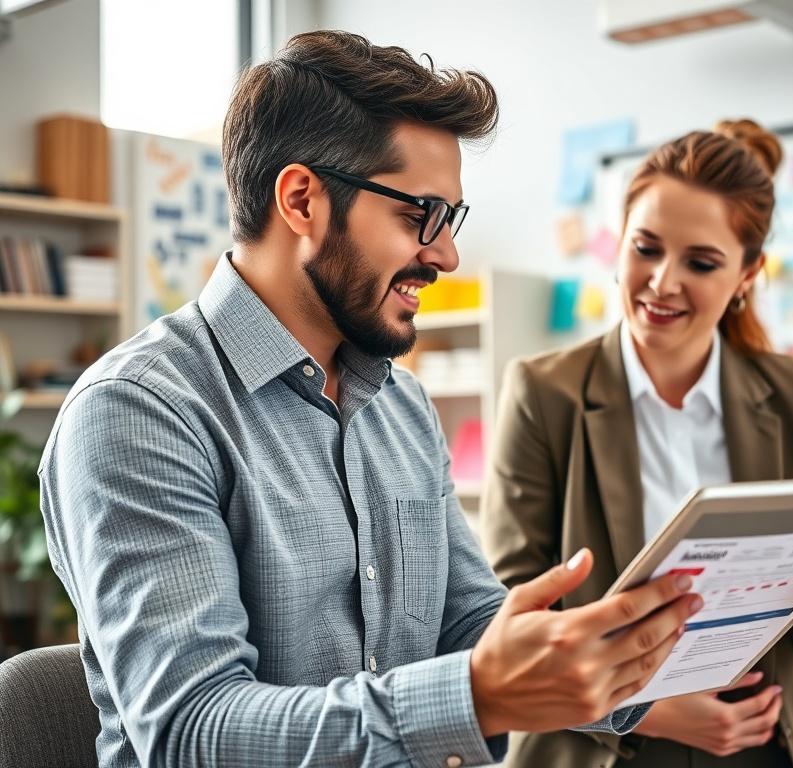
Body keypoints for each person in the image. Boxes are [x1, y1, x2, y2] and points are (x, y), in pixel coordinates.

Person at [37, 31, 705, 768]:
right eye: (420, 214)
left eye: (452, 219)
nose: (446, 254)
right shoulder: (139, 412)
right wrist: (476, 697)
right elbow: (194, 730)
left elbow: (466, 622)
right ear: (301, 201)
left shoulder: (400, 405)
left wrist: (668, 644)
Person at [481, 120, 793, 768]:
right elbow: (510, 615)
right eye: (645, 248)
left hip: (766, 741)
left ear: (747, 273)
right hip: (601, 749)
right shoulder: (544, 394)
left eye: (700, 263)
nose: (662, 282)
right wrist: (646, 708)